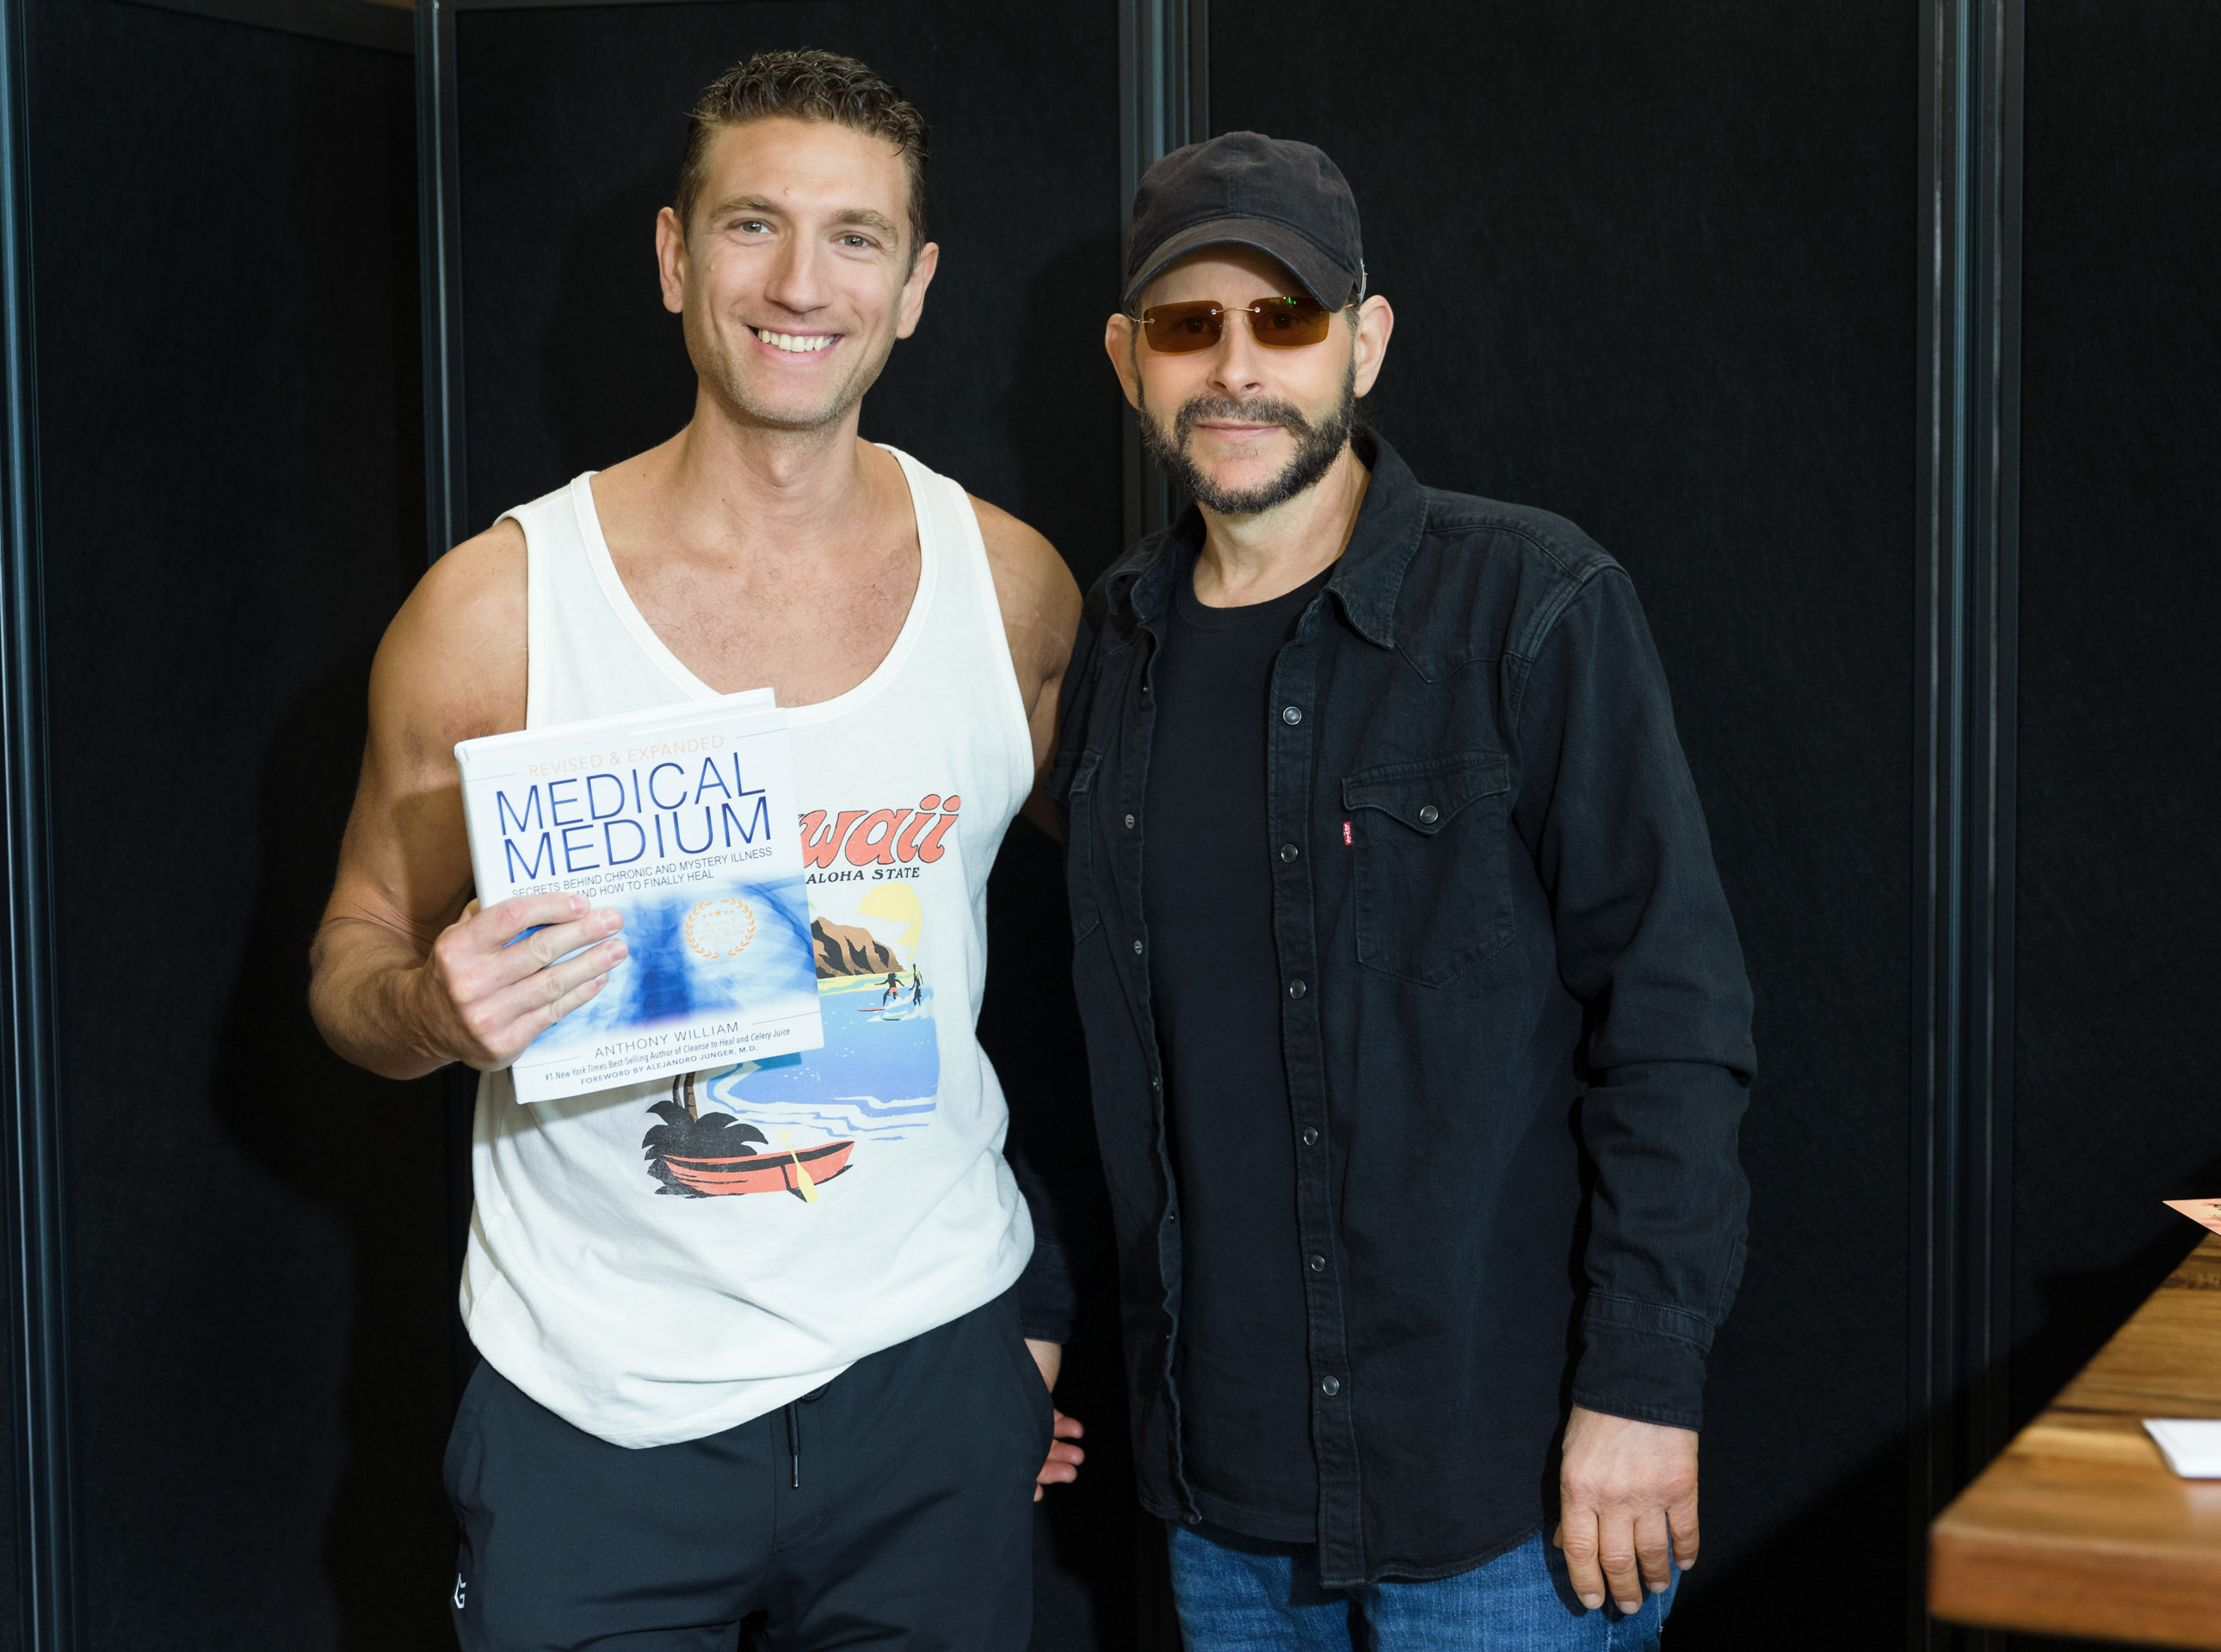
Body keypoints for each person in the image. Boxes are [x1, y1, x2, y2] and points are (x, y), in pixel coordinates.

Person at [308, 50, 1086, 1650]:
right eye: (752, 225)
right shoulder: (498, 610)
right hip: (593, 1403)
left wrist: (1041, 1307)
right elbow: (349, 963)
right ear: (675, 258)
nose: (801, 284)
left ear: (916, 287)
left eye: (856, 238)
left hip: (930, 1383)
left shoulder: (1012, 593)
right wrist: (434, 1010)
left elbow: (1143, 967)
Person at [1050, 133, 1755, 1647]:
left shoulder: (1533, 602)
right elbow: (1075, 1049)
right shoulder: (1115, 643)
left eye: (1286, 317)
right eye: (1188, 324)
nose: (1237, 366)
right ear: (1127, 360)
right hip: (1219, 1502)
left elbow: (1675, 1025)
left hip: (1503, 1497)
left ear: (1364, 341)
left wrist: (1644, 1386)